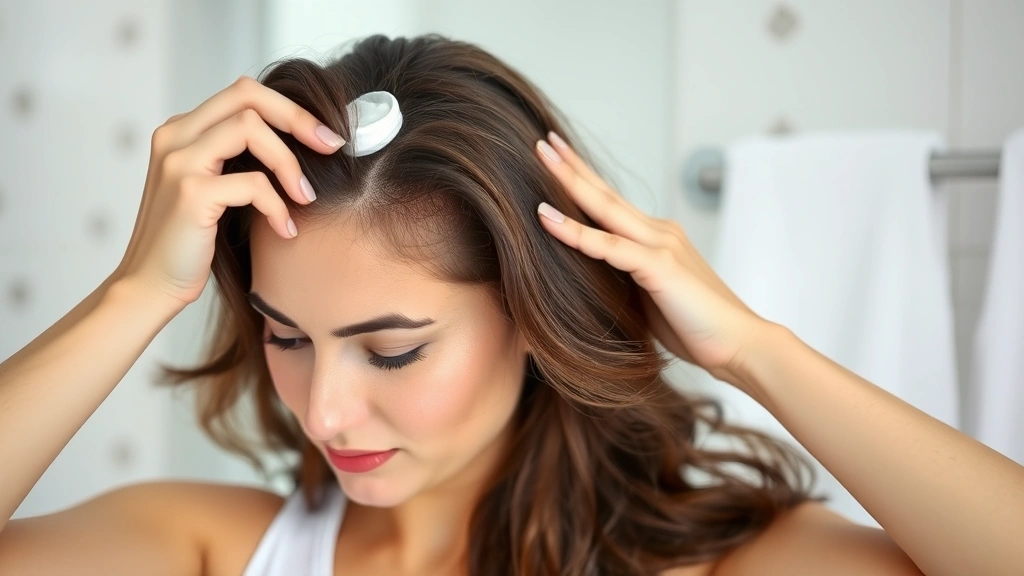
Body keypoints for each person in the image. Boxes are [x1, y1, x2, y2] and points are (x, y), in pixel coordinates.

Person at [0, 33, 1021, 576]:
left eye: (391, 352)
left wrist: (754, 350)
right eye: (284, 337)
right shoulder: (218, 550)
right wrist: (136, 294)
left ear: (536, 315)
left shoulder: (712, 567)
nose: (322, 414)